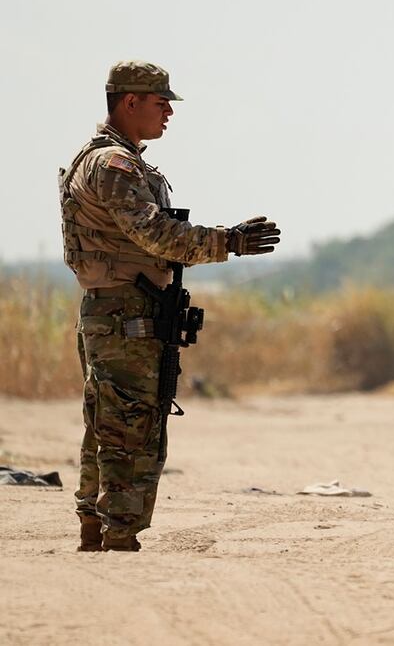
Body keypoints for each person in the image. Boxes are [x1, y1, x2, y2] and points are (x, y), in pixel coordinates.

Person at [62, 60, 281, 552]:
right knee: (130, 421)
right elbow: (155, 235)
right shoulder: (113, 165)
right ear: (128, 102)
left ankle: (98, 523)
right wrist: (230, 242)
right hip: (123, 314)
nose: (168, 112)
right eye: (160, 102)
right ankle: (118, 531)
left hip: (118, 310)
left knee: (110, 417)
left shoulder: (118, 160)